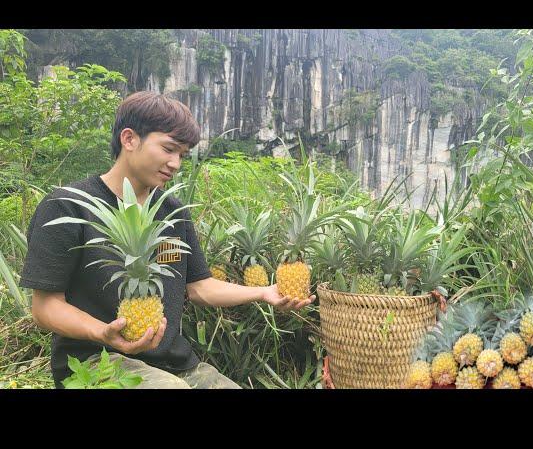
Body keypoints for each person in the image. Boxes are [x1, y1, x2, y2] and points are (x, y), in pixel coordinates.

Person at [21, 91, 315, 389]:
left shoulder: (172, 210)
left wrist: (264, 293)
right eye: (168, 149)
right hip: (94, 360)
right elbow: (44, 307)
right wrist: (102, 333)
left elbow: (200, 287)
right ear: (129, 139)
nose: (175, 163)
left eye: (182, 155)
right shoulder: (68, 206)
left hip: (173, 363)